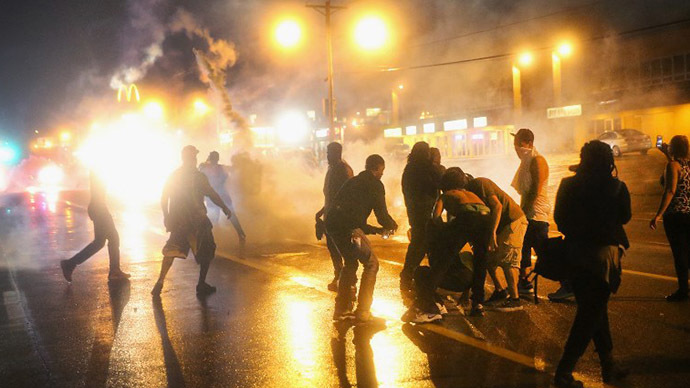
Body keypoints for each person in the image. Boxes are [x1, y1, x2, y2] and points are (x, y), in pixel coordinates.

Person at [553, 140, 630, 387]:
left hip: (574, 254)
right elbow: (625, 217)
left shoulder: (567, 184)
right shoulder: (617, 187)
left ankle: (609, 364)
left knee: (595, 308)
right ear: (609, 161)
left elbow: (560, 219)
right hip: (603, 256)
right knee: (591, 312)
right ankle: (564, 371)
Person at [403, 167, 491, 323]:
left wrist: (439, 234)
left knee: (444, 260)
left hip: (466, 218)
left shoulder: (446, 195)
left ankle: (429, 305)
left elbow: (435, 217)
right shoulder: (471, 194)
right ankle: (478, 303)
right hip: (485, 217)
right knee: (480, 261)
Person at [151, 145, 233, 297]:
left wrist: (167, 216)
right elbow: (212, 195)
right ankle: (200, 283)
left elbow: (164, 198)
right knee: (207, 250)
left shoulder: (175, 175)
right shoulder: (198, 177)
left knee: (172, 250)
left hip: (179, 221)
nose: (195, 160)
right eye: (193, 157)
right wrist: (224, 208)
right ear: (190, 159)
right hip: (197, 221)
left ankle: (160, 283)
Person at [326, 154, 398, 325]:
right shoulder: (375, 185)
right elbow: (381, 215)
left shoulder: (352, 181)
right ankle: (363, 311)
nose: (382, 174)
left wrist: (374, 229)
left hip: (333, 224)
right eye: (382, 170)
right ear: (376, 168)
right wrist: (391, 225)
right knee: (371, 263)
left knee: (350, 263)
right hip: (348, 228)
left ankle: (342, 310)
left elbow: (348, 211)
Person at [510, 128, 573, 301]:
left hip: (536, 216)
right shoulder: (527, 161)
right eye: (514, 146)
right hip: (528, 215)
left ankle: (568, 284)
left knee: (546, 254)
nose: (516, 149)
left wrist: (524, 211)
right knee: (522, 249)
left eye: (519, 145)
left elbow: (536, 190)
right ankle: (524, 282)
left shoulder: (537, 161)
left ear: (529, 143)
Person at [455, 169, 528, 311]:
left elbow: (497, 206)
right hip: (501, 226)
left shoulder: (480, 183)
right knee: (488, 259)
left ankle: (515, 300)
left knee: (508, 260)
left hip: (512, 221)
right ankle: (500, 291)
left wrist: (492, 233)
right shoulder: (470, 195)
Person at [60, 172, 130, 282]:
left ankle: (70, 263)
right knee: (111, 239)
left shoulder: (99, 167)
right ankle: (114, 270)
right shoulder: (99, 168)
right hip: (99, 208)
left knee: (101, 242)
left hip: (98, 207)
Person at [650, 135, 690, 301]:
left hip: (676, 216)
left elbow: (670, 190)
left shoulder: (672, 166)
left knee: (680, 253)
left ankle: (683, 290)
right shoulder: (685, 165)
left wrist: (658, 215)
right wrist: (667, 156)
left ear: (673, 148)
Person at [400, 142, 441, 295]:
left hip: (414, 212)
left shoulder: (409, 169)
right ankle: (414, 276)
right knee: (424, 244)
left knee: (418, 244)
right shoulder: (425, 168)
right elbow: (439, 181)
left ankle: (408, 276)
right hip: (426, 212)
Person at [315, 142, 354, 291]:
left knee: (343, 250)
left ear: (336, 153)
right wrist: (322, 212)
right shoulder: (331, 169)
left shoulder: (343, 170)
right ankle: (339, 276)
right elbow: (330, 196)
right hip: (330, 217)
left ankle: (348, 281)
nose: (327, 156)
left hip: (340, 218)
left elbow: (346, 196)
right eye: (326, 153)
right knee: (333, 248)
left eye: (329, 153)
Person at [198, 151, 246, 244]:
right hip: (220, 196)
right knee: (228, 216)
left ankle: (211, 240)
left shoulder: (206, 168)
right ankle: (240, 234)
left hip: (215, 197)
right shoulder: (219, 168)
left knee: (216, 219)